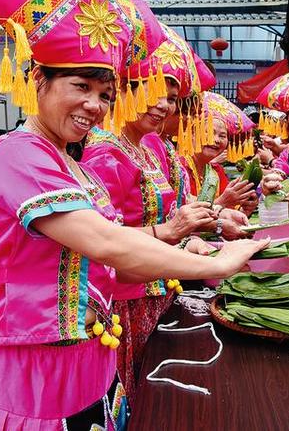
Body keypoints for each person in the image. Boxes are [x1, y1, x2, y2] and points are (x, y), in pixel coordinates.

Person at [0, 0, 268, 430]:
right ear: (37, 79)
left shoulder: (75, 164)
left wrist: (193, 242)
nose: (95, 105)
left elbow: (117, 261)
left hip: (92, 355)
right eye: (80, 86)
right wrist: (214, 264)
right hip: (26, 364)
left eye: (105, 93)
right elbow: (106, 242)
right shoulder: (17, 155)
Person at [82, 23, 219, 400]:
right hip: (123, 299)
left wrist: (200, 226)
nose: (164, 105)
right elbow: (100, 243)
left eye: (172, 97)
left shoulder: (153, 146)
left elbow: (174, 214)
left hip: (158, 286)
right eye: (155, 90)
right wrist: (175, 234)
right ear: (123, 88)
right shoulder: (101, 153)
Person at [181, 92, 258, 216]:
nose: (216, 140)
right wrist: (222, 202)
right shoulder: (179, 167)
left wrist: (246, 209)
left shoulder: (216, 171)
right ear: (192, 134)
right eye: (209, 133)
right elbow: (181, 214)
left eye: (222, 135)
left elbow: (228, 214)